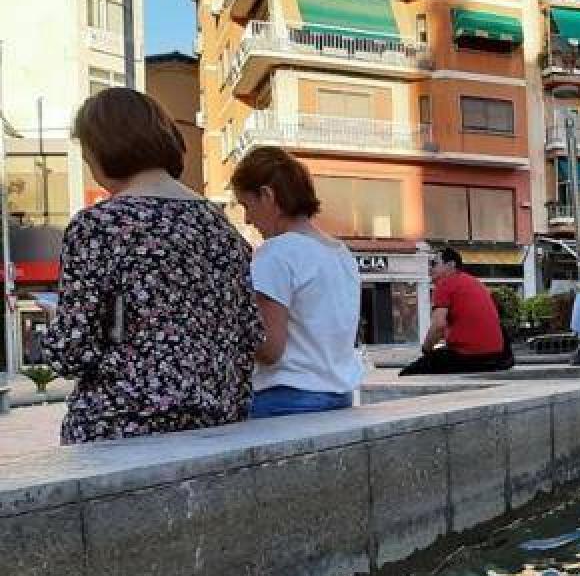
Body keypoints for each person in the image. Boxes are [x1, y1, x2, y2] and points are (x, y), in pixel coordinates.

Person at [41, 87, 261, 444]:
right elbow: (250, 335)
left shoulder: (100, 225)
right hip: (217, 432)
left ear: (103, 150)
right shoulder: (223, 229)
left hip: (122, 431)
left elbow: (72, 350)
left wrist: (54, 327)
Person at [231, 146, 363, 418]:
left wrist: (224, 323)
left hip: (284, 400)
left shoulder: (276, 252)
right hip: (339, 398)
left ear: (267, 195)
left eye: (247, 205)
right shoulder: (340, 253)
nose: (247, 219)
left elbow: (269, 348)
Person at [400, 248, 514, 375]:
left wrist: (426, 349)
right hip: (497, 357)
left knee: (408, 373)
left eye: (434, 264)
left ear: (451, 265)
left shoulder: (445, 284)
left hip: (470, 356)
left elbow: (438, 326)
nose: (430, 269)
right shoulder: (474, 282)